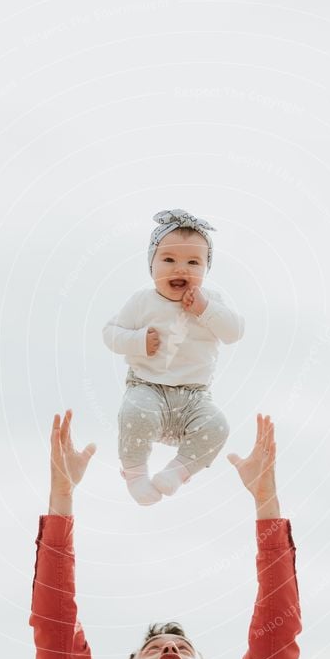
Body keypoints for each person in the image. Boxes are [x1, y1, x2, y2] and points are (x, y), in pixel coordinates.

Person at [30, 409, 302, 659]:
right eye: (153, 648)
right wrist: (61, 497)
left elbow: (276, 632)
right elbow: (55, 628)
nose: (171, 647)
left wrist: (266, 502)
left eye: (184, 649)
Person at [102, 209, 244, 505]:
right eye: (169, 260)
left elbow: (234, 333)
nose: (181, 269)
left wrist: (206, 309)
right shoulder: (142, 302)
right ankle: (136, 474)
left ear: (206, 269)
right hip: (147, 387)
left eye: (193, 262)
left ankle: (177, 473)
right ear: (151, 265)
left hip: (194, 399)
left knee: (218, 426)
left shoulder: (211, 302)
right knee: (134, 413)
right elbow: (110, 333)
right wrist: (138, 341)